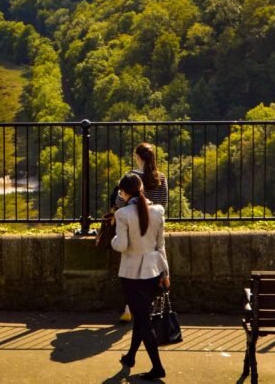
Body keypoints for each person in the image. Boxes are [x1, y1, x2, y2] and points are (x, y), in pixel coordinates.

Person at [110, 172, 169, 380]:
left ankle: (157, 367)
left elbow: (122, 245)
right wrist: (165, 273)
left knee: (143, 320)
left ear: (124, 193)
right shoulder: (158, 211)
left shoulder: (123, 214)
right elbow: (161, 245)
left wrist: (113, 240)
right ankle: (130, 358)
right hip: (153, 270)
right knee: (141, 316)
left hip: (131, 274)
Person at [115, 143, 169, 322]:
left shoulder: (132, 177)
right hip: (152, 228)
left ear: (137, 157)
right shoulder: (161, 178)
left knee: (131, 271)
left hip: (132, 228)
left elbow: (121, 202)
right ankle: (148, 309)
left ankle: (129, 308)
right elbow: (164, 203)